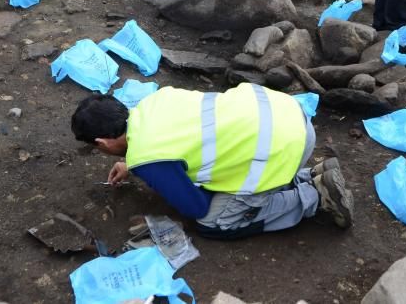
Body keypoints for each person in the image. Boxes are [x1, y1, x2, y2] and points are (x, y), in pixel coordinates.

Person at [71, 83, 353, 239]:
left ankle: (315, 196)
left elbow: (195, 206)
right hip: (292, 117)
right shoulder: (152, 103)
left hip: (282, 147)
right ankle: (311, 174)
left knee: (213, 223)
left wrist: (148, 170)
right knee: (233, 167)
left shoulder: (148, 157)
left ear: (102, 143)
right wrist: (133, 163)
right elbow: (177, 140)